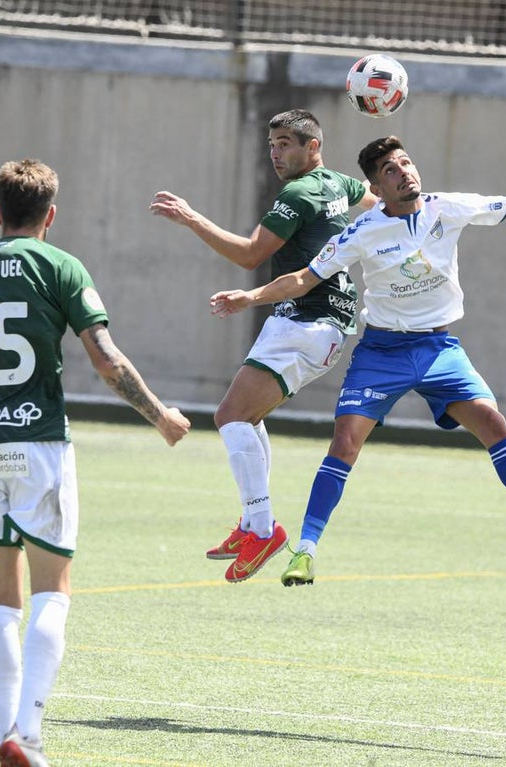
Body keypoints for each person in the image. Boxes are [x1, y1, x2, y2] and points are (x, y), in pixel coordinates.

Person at [210, 135, 506, 586]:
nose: (404, 173)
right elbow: (302, 278)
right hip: (382, 352)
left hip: (439, 350)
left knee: (493, 423)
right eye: (390, 171)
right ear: (376, 190)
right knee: (344, 443)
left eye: (405, 163)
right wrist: (251, 297)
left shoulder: (447, 208)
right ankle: (304, 550)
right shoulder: (363, 232)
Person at [0, 159, 192, 767]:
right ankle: (29, 733)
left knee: (1, 599)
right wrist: (160, 416)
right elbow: (105, 360)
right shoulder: (62, 266)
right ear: (50, 216)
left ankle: (8, 733)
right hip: (40, 446)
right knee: (53, 591)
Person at [150, 108, 377, 583]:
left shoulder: (298, 193)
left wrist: (192, 219)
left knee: (229, 416)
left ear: (313, 146)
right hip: (316, 319)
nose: (275, 153)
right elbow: (375, 205)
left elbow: (251, 254)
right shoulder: (339, 184)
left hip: (308, 320)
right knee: (247, 416)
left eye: (286, 144)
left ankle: (263, 527)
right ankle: (253, 522)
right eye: (271, 144)